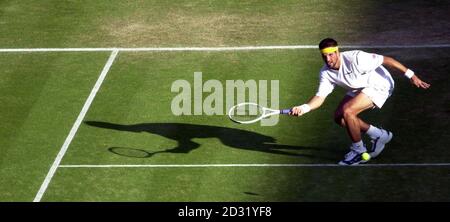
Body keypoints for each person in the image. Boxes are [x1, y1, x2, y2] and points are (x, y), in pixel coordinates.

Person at [290, 38, 430, 165]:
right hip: (360, 87)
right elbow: (320, 98)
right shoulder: (325, 73)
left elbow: (387, 60)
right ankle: (378, 135)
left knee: (348, 111)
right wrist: (304, 108)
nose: (328, 59)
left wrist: (411, 75)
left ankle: (358, 151)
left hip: (380, 85)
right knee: (339, 117)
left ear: (337, 52)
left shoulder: (356, 58)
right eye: (324, 56)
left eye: (331, 54)